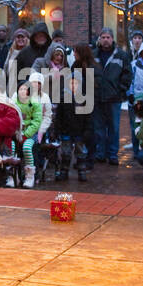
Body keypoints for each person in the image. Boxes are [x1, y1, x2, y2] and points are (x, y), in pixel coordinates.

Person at [53, 44, 95, 182]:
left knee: (81, 151)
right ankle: (64, 170)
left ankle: (82, 171)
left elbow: (88, 117)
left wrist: (88, 130)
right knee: (65, 151)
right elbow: (59, 116)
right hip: (66, 130)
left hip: (79, 131)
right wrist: (57, 129)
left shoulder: (84, 100)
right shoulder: (63, 99)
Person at [91, 28, 130, 163]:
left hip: (114, 97)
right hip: (97, 97)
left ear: (112, 39)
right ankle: (100, 153)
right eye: (103, 37)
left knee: (114, 127)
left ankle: (113, 154)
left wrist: (121, 89)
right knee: (99, 128)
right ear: (100, 40)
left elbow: (127, 74)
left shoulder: (121, 55)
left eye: (108, 37)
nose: (106, 40)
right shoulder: (93, 55)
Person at [15, 75, 46, 188]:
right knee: (11, 148)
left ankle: (29, 175)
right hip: (16, 133)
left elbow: (37, 121)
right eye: (20, 89)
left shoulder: (35, 103)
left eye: (25, 89)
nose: (22, 91)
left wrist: (26, 134)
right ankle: (13, 175)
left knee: (27, 148)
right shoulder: (14, 102)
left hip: (29, 134)